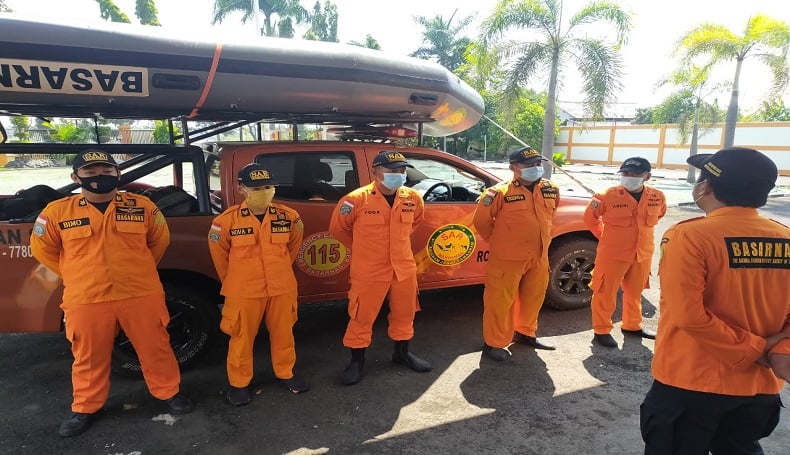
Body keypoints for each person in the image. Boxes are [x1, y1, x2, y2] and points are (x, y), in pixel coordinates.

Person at [30, 149, 193, 438]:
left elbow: (158, 242)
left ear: (117, 174)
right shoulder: (57, 212)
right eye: (90, 173)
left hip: (139, 293)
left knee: (156, 347)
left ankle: (169, 392)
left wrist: (135, 271)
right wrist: (78, 275)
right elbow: (44, 250)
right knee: (88, 356)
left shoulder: (142, 206)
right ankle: (86, 407)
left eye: (106, 171)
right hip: (86, 298)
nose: (99, 178)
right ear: (75, 177)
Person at [640, 147, 790, 454]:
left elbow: (689, 315)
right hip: (758, 387)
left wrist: (755, 349)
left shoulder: (691, 236)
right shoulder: (784, 237)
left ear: (706, 187)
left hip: (692, 382)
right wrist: (778, 349)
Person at [208, 163, 309, 406]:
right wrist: (237, 282)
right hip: (244, 291)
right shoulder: (225, 222)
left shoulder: (289, 217)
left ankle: (286, 373)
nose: (263, 192)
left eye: (267, 187)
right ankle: (239, 384)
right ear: (242, 189)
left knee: (284, 333)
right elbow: (220, 259)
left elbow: (292, 248)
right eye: (256, 188)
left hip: (282, 287)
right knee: (241, 338)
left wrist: (278, 272)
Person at [329, 150, 432, 385]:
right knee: (361, 316)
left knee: (405, 313)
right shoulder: (355, 200)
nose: (398, 175)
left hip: (403, 268)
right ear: (375, 172)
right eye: (392, 170)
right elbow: (338, 230)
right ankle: (357, 361)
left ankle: (402, 353)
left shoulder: (413, 198)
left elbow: (415, 222)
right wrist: (365, 250)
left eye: (402, 170)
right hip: (369, 270)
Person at [472, 146, 560, 361]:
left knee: (534, 298)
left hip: (539, 257)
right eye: (528, 165)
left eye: (537, 164)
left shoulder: (550, 189)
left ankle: (526, 333)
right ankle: (494, 343)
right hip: (506, 259)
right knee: (500, 302)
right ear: (513, 168)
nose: (535, 168)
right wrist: (502, 243)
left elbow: (551, 215)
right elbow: (481, 222)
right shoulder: (498, 193)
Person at [584, 157, 666, 348]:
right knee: (605, 292)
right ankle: (601, 330)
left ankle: (632, 326)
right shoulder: (605, 196)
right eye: (626, 173)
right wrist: (604, 236)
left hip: (642, 254)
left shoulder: (657, 196)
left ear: (647, 176)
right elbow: (590, 219)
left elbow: (660, 214)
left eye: (636, 174)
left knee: (635, 293)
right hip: (612, 254)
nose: (630, 177)